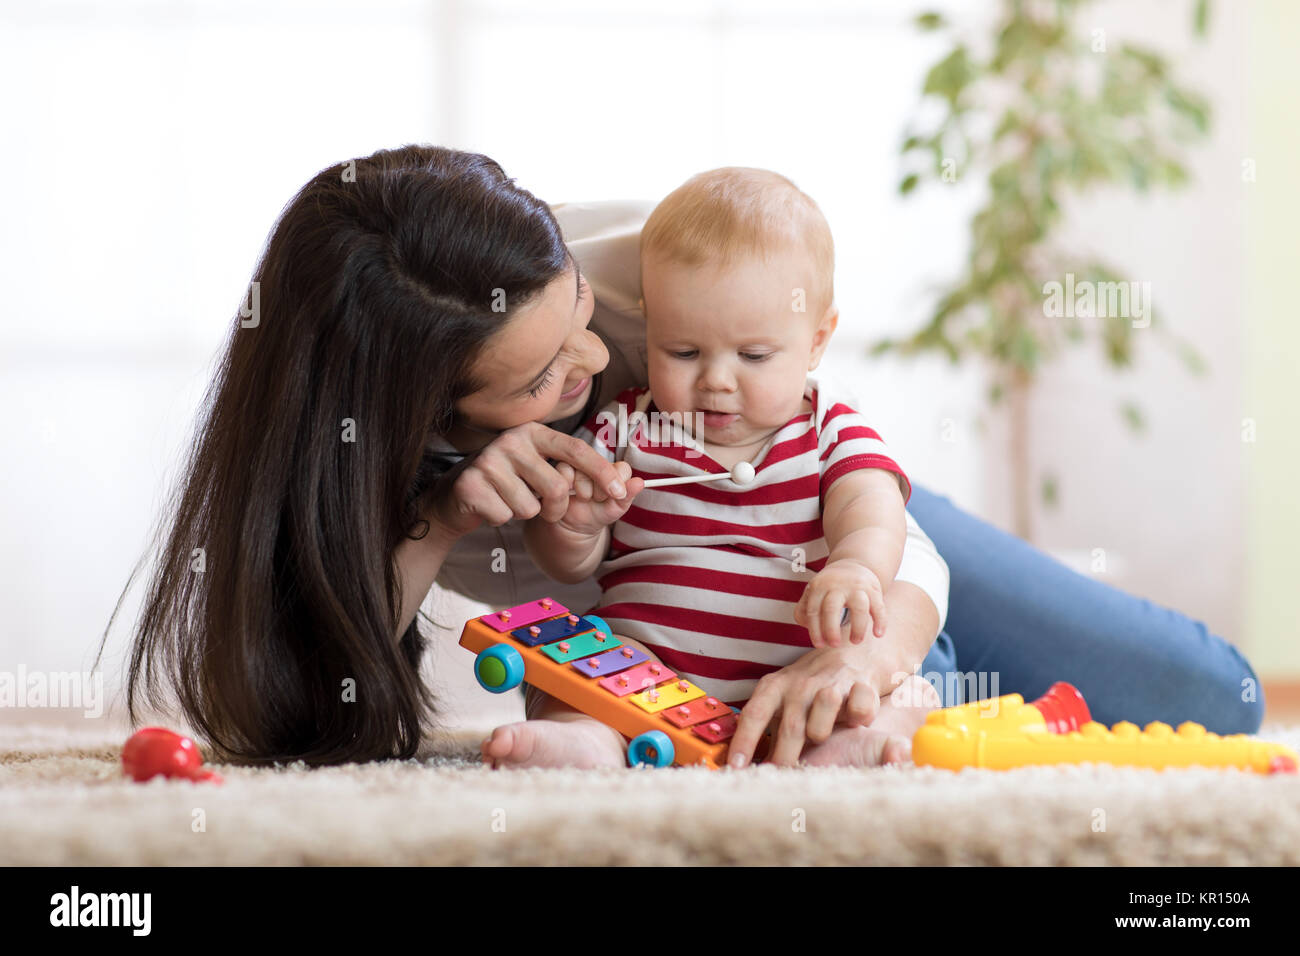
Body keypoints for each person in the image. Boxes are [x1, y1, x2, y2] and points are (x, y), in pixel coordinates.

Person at [98, 144, 1264, 770]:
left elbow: (849, 472)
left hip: (822, 535)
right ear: (423, 419)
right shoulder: (370, 474)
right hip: (662, 637)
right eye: (542, 380)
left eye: (587, 331)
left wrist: (870, 650)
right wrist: (442, 522)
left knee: (1212, 698)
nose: (595, 367)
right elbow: (311, 714)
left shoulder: (626, 261)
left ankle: (931, 709)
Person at [505, 167, 941, 770]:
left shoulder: (827, 426)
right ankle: (589, 740)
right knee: (569, 665)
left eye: (754, 356)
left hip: (797, 676)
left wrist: (857, 568)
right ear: (648, 331)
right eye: (682, 352)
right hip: (648, 671)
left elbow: (872, 506)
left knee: (902, 693)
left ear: (817, 341)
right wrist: (575, 527)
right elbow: (570, 564)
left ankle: (846, 744)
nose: (715, 380)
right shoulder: (628, 426)